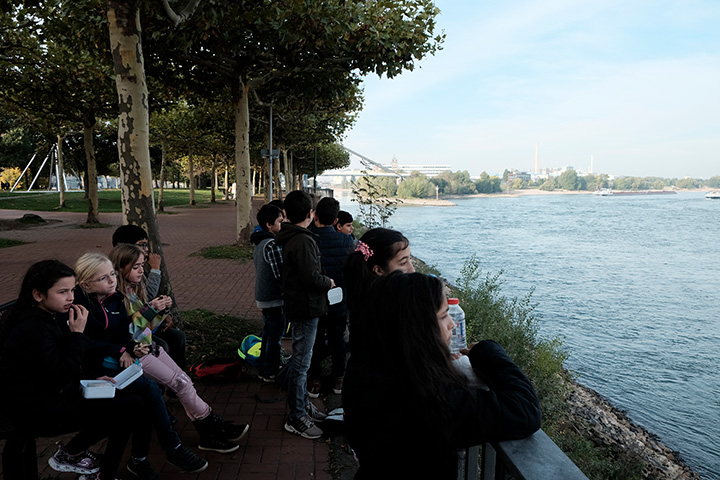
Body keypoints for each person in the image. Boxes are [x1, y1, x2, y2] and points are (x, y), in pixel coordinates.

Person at [343, 271, 542, 479]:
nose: (452, 324)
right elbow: (524, 409)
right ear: (418, 330)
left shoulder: (364, 371)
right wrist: (488, 352)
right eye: (444, 315)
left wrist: (440, 365)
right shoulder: (427, 403)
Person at [0, 260, 150, 480]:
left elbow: (56, 368)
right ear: (38, 295)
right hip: (37, 410)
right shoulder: (35, 328)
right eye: (62, 292)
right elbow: (60, 375)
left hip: (46, 397)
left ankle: (81, 458)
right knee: (130, 407)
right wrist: (78, 335)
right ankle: (82, 459)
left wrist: (91, 379)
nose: (71, 297)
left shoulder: (40, 316)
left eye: (72, 290)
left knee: (131, 402)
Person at [106, 246, 250, 453]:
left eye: (141, 266)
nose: (141, 270)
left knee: (184, 381)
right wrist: (152, 309)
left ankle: (209, 429)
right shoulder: (117, 298)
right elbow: (128, 332)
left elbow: (146, 328)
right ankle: (212, 425)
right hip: (138, 354)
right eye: (136, 267)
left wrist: (161, 312)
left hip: (149, 347)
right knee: (180, 383)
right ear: (120, 268)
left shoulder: (133, 290)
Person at [275, 190, 334, 439]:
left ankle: (302, 407)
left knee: (301, 361)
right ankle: (297, 416)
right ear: (310, 214)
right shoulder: (303, 240)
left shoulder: (292, 237)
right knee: (301, 364)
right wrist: (329, 282)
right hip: (306, 307)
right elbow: (311, 278)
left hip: (299, 305)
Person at [112, 224, 187, 371]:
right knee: (161, 346)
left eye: (146, 245)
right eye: (142, 245)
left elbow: (144, 302)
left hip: (145, 326)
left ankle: (179, 378)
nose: (146, 249)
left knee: (178, 337)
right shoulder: (119, 286)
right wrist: (155, 269)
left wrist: (163, 312)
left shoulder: (136, 278)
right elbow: (145, 304)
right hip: (134, 333)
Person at [308, 197, 355, 397]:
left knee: (316, 340)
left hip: (315, 300)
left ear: (315, 216)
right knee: (338, 339)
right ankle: (339, 379)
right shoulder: (346, 241)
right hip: (338, 299)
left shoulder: (308, 239)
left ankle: (315, 380)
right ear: (336, 221)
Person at [343, 227, 415, 347]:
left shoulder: (361, 297)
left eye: (410, 260)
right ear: (378, 270)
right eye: (403, 263)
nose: (412, 269)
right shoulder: (388, 308)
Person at [251, 203, 286, 383]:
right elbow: (281, 273)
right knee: (275, 335)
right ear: (269, 225)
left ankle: (263, 366)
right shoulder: (271, 244)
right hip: (273, 297)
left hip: (264, 297)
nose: (283, 224)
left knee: (268, 332)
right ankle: (270, 370)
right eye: (280, 221)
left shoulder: (259, 241)